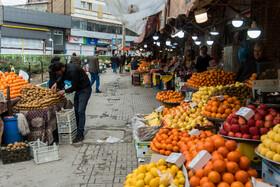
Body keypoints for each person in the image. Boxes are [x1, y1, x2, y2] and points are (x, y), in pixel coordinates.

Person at [51, 62, 91, 143]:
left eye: (58, 72)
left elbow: (74, 86)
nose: (58, 73)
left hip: (84, 90)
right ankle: (77, 130)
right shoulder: (65, 69)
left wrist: (64, 91)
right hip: (78, 90)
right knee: (76, 111)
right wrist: (56, 83)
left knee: (80, 111)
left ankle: (80, 134)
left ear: (62, 68)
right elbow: (62, 77)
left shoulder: (73, 71)